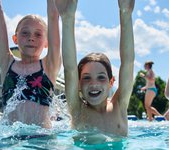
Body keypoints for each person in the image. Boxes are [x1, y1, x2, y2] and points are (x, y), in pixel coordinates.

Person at [55, 0, 135, 136]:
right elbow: (70, 68)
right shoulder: (77, 109)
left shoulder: (119, 106)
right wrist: (67, 19)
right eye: (86, 78)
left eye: (101, 77)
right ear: (78, 84)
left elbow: (128, 62)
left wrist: (125, 14)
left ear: (111, 82)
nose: (94, 83)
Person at [0, 0, 61, 127]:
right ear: (15, 39)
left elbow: (54, 16)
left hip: (41, 138)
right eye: (25, 33)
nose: (31, 38)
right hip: (10, 138)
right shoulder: (7, 63)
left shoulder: (49, 66)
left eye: (38, 34)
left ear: (46, 42)